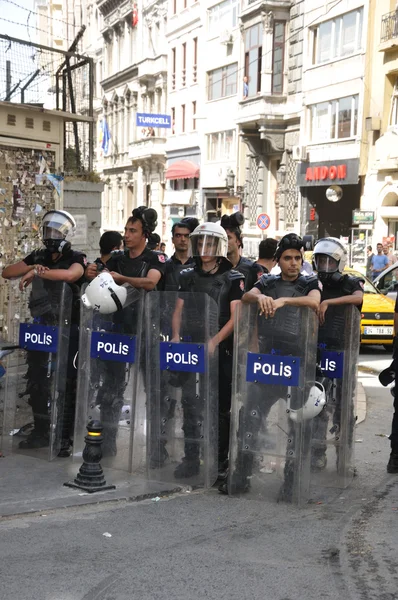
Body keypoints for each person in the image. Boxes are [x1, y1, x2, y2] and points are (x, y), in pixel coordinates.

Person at [219, 233, 322, 496]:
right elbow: (246, 297)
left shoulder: (310, 281)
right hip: (266, 362)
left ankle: (291, 483)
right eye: (288, 258)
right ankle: (241, 476)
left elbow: (313, 301)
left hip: (295, 363)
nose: (294, 263)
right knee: (249, 418)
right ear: (278, 260)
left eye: (298, 258)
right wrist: (260, 297)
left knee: (296, 427)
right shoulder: (267, 280)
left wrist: (285, 300)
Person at [2, 210, 86, 455]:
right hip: (42, 325)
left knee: (66, 381)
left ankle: (65, 436)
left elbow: (72, 275)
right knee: (37, 379)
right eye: (47, 230)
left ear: (65, 234)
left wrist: (38, 272)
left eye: (55, 231)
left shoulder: (75, 256)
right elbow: (8, 272)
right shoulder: (38, 255)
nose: (50, 236)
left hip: (68, 325)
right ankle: (41, 431)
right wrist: (34, 266)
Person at [85, 207, 165, 456]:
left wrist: (121, 278)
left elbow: (151, 282)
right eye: (126, 230)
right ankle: (107, 444)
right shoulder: (117, 257)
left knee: (153, 390)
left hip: (144, 329)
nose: (127, 235)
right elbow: (93, 271)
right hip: (116, 330)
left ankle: (156, 447)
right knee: (111, 389)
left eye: (133, 231)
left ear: (145, 235)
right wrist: (91, 270)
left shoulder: (156, 258)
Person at [171, 222, 244, 478]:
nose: (204, 248)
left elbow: (236, 318)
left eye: (210, 243)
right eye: (200, 242)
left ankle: (219, 461)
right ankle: (191, 458)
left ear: (220, 246)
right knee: (190, 403)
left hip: (219, 350)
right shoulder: (187, 275)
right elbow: (178, 310)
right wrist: (176, 337)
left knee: (220, 407)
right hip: (191, 349)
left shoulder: (234, 278)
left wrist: (214, 341)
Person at [311, 237, 363, 470]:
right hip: (318, 351)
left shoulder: (350, 282)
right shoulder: (313, 284)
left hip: (342, 352)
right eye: (320, 261)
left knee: (343, 406)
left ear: (339, 262)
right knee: (317, 404)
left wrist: (329, 303)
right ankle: (317, 453)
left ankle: (344, 458)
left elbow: (359, 298)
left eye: (328, 262)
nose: (324, 267)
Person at [221, 212, 264, 291]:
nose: (224, 241)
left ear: (238, 241)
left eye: (228, 238)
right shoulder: (214, 267)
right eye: (222, 238)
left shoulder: (253, 269)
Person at [163, 217, 199, 291]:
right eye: (178, 235)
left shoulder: (199, 266)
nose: (183, 239)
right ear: (172, 239)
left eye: (186, 236)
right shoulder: (164, 266)